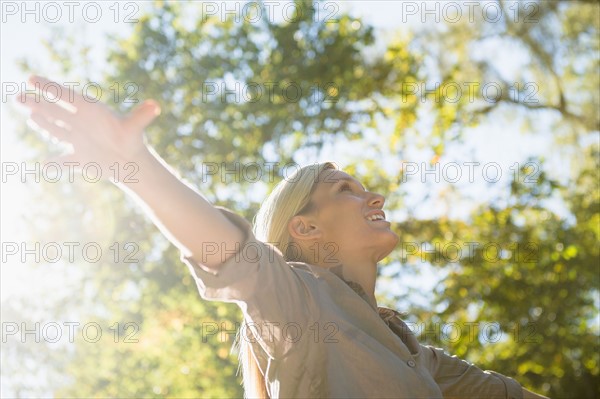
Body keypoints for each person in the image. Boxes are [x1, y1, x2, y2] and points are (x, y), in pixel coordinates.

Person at [18, 76, 549, 399]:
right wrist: (135, 166)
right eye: (346, 189)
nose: (375, 198)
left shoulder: (419, 355)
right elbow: (233, 256)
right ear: (306, 227)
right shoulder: (298, 302)